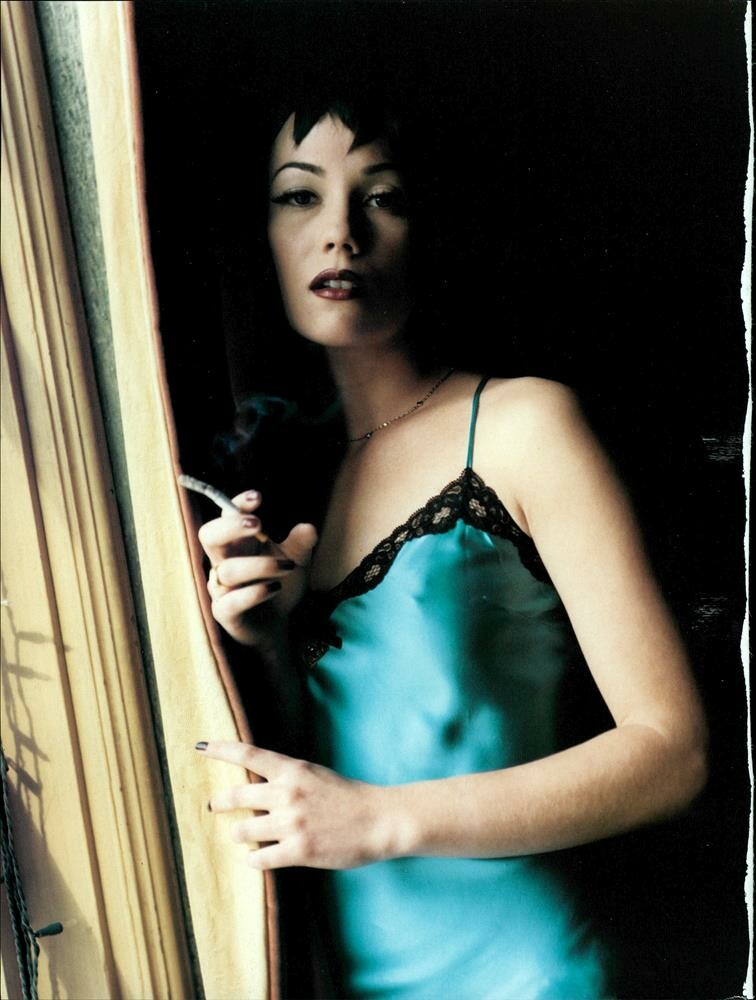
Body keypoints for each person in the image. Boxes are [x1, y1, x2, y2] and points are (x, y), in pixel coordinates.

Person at [195, 96, 707, 999]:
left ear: (427, 221)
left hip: (531, 977)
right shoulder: (294, 480)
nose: (341, 232)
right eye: (300, 196)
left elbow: (673, 754)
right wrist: (265, 644)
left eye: (380, 196)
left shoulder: (522, 424)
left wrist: (378, 820)